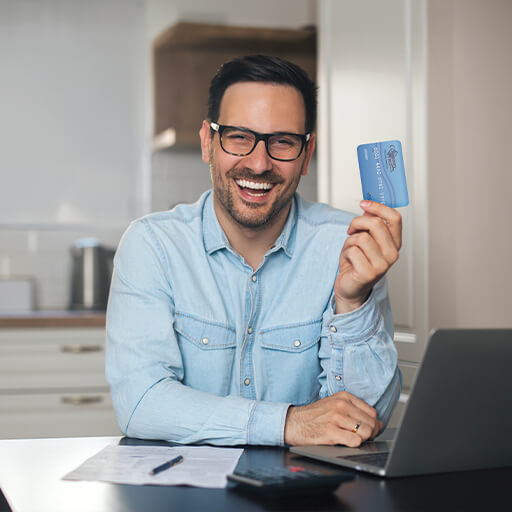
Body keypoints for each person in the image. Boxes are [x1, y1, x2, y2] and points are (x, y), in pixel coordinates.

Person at [106, 55, 402, 448]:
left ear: (306, 155)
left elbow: (364, 420)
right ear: (208, 143)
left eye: (283, 141)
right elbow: (141, 402)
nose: (259, 163)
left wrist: (354, 301)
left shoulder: (349, 246)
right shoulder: (152, 245)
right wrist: (288, 424)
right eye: (239, 137)